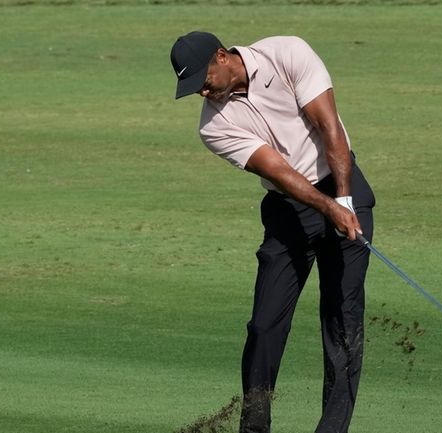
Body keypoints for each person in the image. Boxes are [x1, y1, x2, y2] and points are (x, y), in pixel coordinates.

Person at [170, 31, 375, 433]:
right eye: (193, 87)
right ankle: (255, 428)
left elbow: (328, 125)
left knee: (342, 318)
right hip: (288, 209)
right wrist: (328, 207)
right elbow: (279, 172)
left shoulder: (287, 53)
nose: (202, 92)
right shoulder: (213, 127)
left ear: (221, 56)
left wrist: (345, 201)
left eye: (203, 79)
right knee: (265, 325)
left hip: (343, 183)